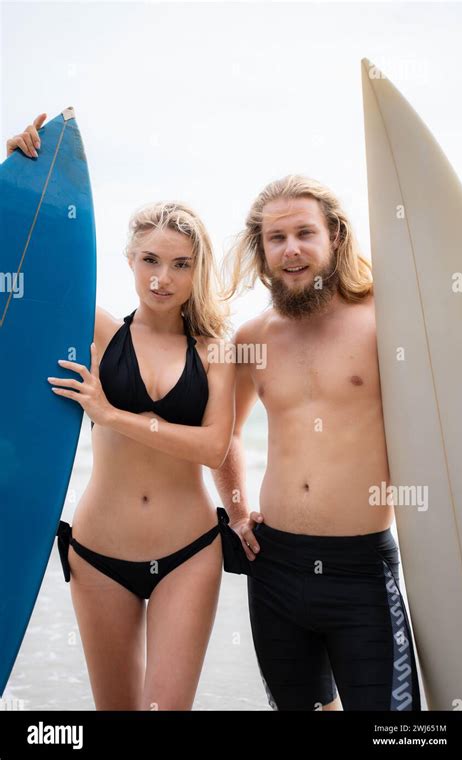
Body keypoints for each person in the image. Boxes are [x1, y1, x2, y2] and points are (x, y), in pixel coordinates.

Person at [6, 114, 236, 711]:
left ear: (197, 269)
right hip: (98, 553)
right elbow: (19, 270)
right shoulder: (98, 331)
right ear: (129, 259)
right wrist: (20, 182)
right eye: (151, 260)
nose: (163, 278)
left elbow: (214, 446)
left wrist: (113, 416)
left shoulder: (214, 350)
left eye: (181, 264)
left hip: (189, 550)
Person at [212, 175, 421, 711]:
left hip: (362, 570)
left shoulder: (385, 319)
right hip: (275, 565)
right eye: (276, 238)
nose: (292, 249)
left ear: (335, 238)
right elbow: (227, 434)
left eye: (305, 233)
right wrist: (237, 512)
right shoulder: (254, 338)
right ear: (263, 252)